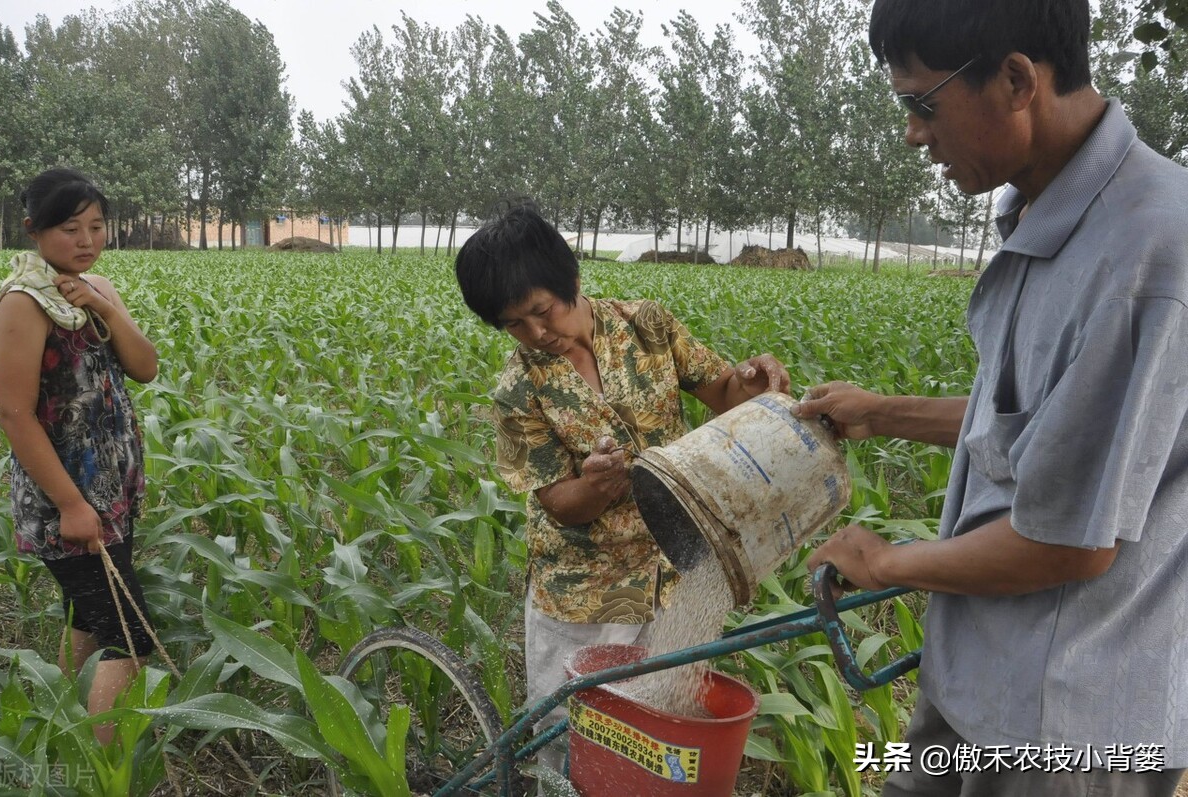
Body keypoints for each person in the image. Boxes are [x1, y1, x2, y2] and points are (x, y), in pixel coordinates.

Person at [795, 1, 1188, 795]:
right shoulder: (1042, 212)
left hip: (1064, 725)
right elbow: (1040, 428)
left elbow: (1069, 542)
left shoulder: (1143, 257)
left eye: (921, 103)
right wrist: (883, 412)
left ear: (1015, 79)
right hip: (977, 671)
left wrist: (887, 561)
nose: (912, 133)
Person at [455, 201, 790, 781]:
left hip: (674, 574)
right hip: (586, 594)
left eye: (542, 312)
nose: (537, 334)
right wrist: (596, 487)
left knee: (658, 735)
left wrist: (752, 379)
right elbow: (557, 503)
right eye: (514, 325)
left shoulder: (648, 326)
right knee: (570, 736)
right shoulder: (518, 392)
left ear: (573, 281)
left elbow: (726, 396)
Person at [0, 168, 159, 745]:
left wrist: (105, 308)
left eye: (96, 226)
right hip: (65, 499)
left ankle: (65, 734)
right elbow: (15, 415)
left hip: (110, 491)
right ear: (34, 230)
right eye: (69, 228)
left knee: (89, 616)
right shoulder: (23, 304)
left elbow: (145, 366)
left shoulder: (99, 289)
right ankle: (102, 768)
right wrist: (70, 505)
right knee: (129, 637)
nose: (86, 241)